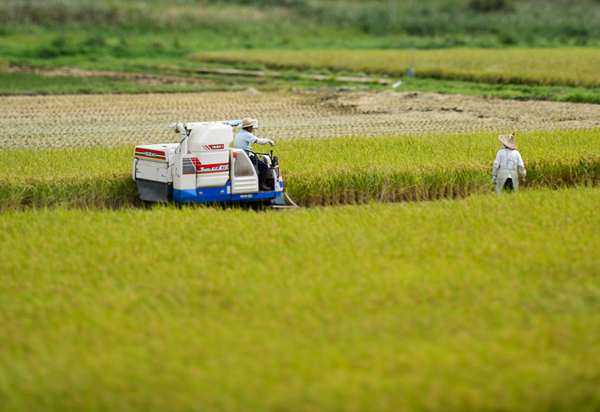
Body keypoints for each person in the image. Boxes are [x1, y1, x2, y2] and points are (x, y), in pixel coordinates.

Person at [233, 117, 275, 190]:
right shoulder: (247, 135)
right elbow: (259, 141)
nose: (252, 128)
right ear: (248, 127)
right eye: (251, 126)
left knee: (258, 163)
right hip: (247, 156)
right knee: (264, 167)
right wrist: (268, 140)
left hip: (240, 157)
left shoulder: (238, 134)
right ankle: (261, 185)